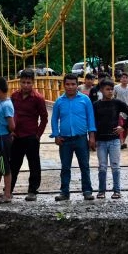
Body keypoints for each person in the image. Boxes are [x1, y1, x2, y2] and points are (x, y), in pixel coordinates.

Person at [51, 73, 96, 201]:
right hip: (65, 140)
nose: (70, 87)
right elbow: (54, 119)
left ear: (77, 85)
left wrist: (91, 136)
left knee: (84, 166)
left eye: (73, 84)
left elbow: (90, 118)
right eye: (67, 84)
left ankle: (87, 191)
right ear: (63, 85)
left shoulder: (85, 100)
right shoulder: (59, 101)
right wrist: (56, 135)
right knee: (65, 167)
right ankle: (64, 192)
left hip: (81, 138)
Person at [9, 69, 48, 202]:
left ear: (33, 83)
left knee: (34, 164)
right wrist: (10, 130)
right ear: (20, 82)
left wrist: (38, 135)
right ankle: (9, 189)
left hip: (31, 136)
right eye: (24, 82)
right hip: (16, 135)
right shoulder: (14, 96)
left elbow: (44, 118)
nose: (26, 85)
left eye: (29, 83)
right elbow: (9, 114)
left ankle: (32, 191)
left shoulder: (38, 98)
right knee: (13, 164)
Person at [92, 79, 128, 199]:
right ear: (101, 90)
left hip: (114, 140)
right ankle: (101, 191)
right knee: (102, 166)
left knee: (115, 165)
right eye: (107, 89)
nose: (110, 92)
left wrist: (123, 127)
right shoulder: (96, 105)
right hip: (101, 140)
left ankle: (117, 190)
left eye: (111, 89)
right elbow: (92, 121)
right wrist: (92, 137)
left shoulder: (117, 103)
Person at [113, 71, 128, 149]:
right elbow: (113, 97)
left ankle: (123, 141)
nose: (124, 79)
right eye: (123, 77)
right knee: (120, 124)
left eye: (126, 78)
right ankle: (121, 142)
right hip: (118, 110)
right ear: (120, 79)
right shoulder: (116, 87)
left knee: (125, 126)